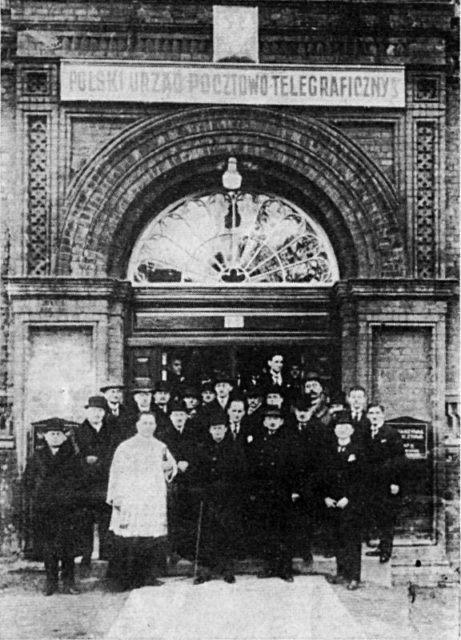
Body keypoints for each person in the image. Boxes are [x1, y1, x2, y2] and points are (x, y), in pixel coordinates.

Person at [106, 412, 177, 590]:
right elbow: (116, 472)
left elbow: (171, 466)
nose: (148, 426)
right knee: (129, 538)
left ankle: (147, 576)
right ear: (137, 425)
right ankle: (124, 580)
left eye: (151, 423)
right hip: (132, 497)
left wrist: (170, 467)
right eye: (144, 423)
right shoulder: (126, 447)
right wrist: (117, 496)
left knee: (149, 538)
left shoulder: (160, 446)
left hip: (152, 498)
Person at [25, 418, 87, 596]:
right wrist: (36, 498)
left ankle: (69, 582)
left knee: (68, 548)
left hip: (68, 509)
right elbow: (28, 481)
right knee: (48, 547)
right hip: (45, 509)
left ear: (65, 437)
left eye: (58, 434)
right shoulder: (37, 457)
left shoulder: (74, 456)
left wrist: (75, 501)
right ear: (44, 436)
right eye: (51, 434)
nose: (55, 437)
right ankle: (50, 582)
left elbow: (81, 482)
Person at [192, 416, 247, 584]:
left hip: (227, 498)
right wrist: (201, 488)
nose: (217, 431)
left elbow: (241, 473)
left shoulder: (235, 448)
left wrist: (234, 491)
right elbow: (196, 472)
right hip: (208, 498)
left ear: (226, 430)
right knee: (207, 535)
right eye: (214, 428)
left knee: (226, 533)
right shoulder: (202, 448)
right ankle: (204, 570)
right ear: (210, 431)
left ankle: (227, 569)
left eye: (220, 428)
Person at [246, 406, 299, 582]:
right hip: (264, 493)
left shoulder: (290, 440)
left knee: (285, 530)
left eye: (276, 418)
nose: (272, 421)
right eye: (269, 418)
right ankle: (269, 566)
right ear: (263, 421)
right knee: (266, 530)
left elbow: (297, 468)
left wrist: (295, 490)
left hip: (284, 493)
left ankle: (285, 569)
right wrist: (253, 490)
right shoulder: (257, 441)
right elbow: (252, 468)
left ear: (282, 421)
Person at [322, 412, 366, 590]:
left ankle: (354, 576)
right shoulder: (328, 451)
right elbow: (322, 476)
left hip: (350, 503)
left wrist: (348, 498)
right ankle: (341, 572)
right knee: (338, 538)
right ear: (334, 430)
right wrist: (326, 496)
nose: (342, 430)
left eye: (346, 427)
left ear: (352, 430)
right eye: (339, 427)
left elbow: (362, 479)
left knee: (352, 540)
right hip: (333, 503)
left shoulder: (359, 451)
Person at [75, 395, 117, 570]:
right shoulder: (78, 432)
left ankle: (106, 555)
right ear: (87, 412)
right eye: (93, 411)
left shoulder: (112, 430)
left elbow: (114, 453)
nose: (97, 414)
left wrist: (100, 462)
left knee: (105, 518)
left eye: (101, 411)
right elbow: (76, 456)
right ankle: (85, 555)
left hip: (105, 482)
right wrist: (86, 461)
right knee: (85, 520)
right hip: (85, 484)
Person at [157, 400, 198, 561]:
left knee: (189, 515)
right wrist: (174, 465)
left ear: (187, 416)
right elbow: (161, 458)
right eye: (176, 415)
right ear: (170, 417)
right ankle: (172, 550)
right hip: (172, 481)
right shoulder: (163, 436)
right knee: (172, 515)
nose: (179, 418)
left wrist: (188, 462)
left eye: (182, 415)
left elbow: (199, 453)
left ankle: (188, 549)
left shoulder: (193, 434)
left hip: (190, 479)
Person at [365, 404, 406, 563]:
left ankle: (386, 550)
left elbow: (399, 459)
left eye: (377, 413)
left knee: (386, 517)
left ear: (382, 414)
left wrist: (395, 481)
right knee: (375, 514)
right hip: (371, 482)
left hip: (387, 482)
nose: (374, 416)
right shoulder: (366, 433)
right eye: (371, 413)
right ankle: (380, 546)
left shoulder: (391, 433)